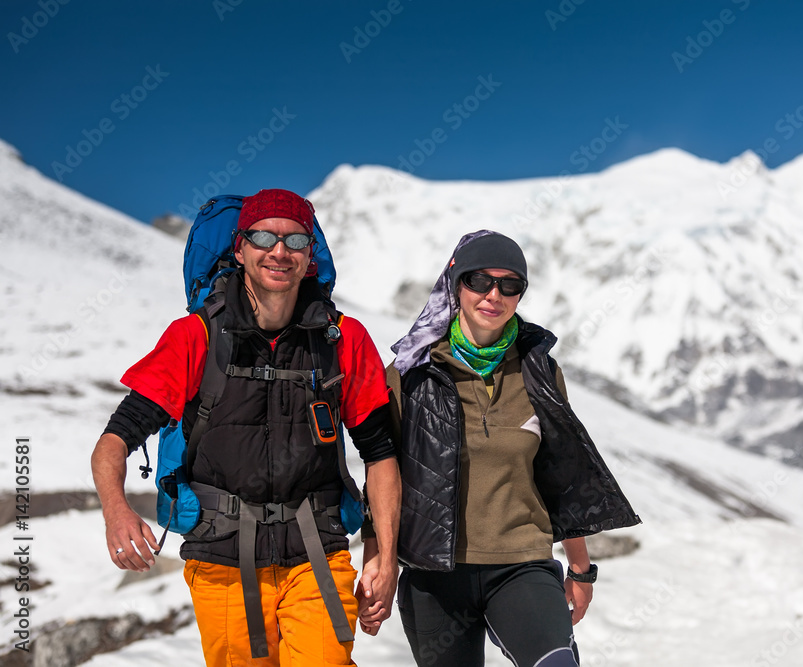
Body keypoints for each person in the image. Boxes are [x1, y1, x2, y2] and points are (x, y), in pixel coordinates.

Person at [91, 188, 401, 666]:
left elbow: (380, 453)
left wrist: (383, 553)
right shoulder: (194, 336)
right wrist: (116, 511)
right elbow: (116, 436)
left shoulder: (343, 339)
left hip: (317, 549)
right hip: (222, 559)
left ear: (309, 255)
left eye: (295, 240)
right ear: (240, 249)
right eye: (263, 237)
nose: (279, 251)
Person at [380, 230, 640, 667]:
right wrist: (381, 562)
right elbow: (384, 476)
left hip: (522, 565)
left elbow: (559, 472)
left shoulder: (540, 370)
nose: (493, 294)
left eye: (510, 284)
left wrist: (580, 569)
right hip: (434, 574)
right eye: (479, 280)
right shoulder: (410, 375)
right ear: (455, 284)